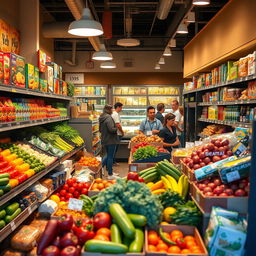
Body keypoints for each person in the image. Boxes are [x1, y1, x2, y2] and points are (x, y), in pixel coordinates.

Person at [99, 104, 119, 179]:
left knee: (107, 155)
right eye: (112, 109)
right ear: (109, 110)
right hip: (111, 139)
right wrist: (116, 128)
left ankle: (101, 168)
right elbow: (111, 129)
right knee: (110, 156)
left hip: (105, 139)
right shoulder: (108, 118)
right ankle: (110, 174)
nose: (112, 111)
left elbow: (100, 130)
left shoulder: (102, 117)